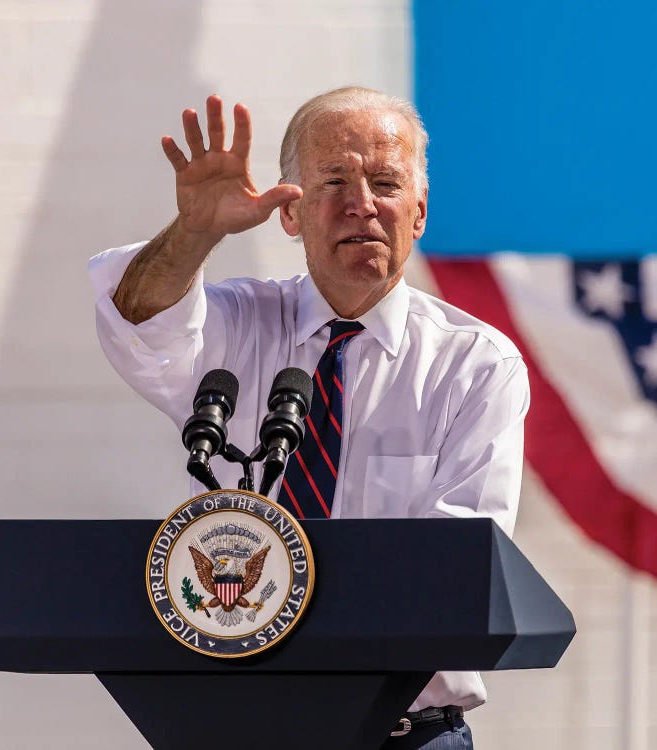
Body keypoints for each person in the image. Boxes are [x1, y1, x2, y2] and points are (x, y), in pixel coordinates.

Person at [88, 87, 530, 750]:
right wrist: (196, 230)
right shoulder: (235, 327)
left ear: (419, 213)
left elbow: (457, 571)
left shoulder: (474, 366)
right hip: (236, 724)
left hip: (405, 734)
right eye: (334, 181)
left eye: (386, 182)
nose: (362, 204)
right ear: (291, 214)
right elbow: (138, 322)